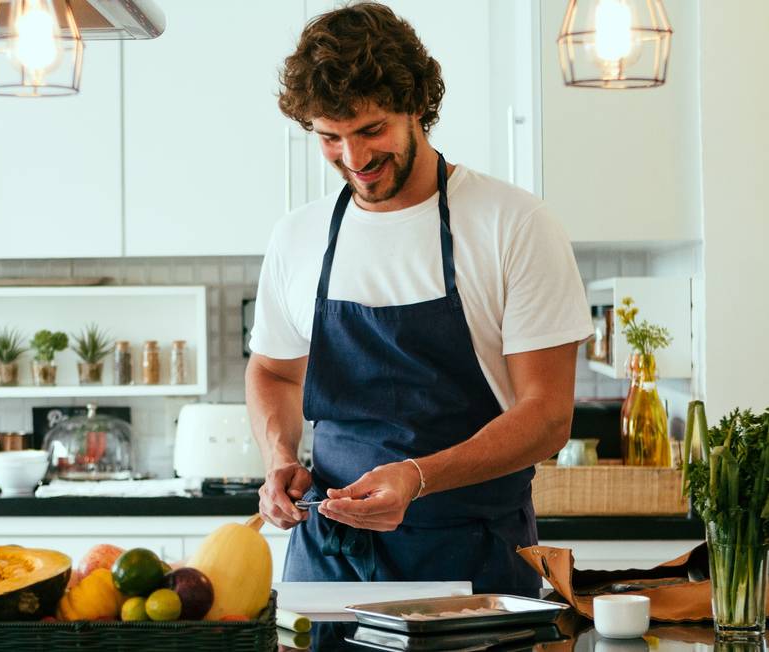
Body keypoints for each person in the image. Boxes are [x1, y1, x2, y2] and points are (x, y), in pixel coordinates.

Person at [245, 2, 593, 594]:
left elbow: (546, 416)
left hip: (472, 558)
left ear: (416, 107)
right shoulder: (297, 237)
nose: (354, 160)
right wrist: (280, 456)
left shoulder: (514, 224)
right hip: (327, 564)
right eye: (330, 138)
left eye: (371, 130)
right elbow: (274, 373)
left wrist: (417, 476)